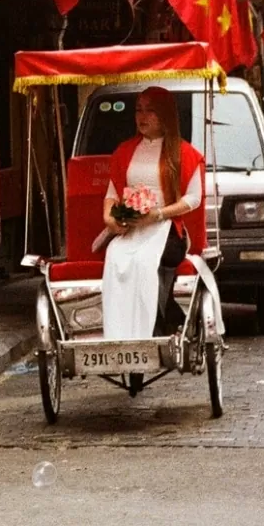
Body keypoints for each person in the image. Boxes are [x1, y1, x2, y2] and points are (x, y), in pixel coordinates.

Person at [98, 88, 206, 340]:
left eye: (150, 110)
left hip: (167, 230)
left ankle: (157, 321)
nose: (142, 116)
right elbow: (112, 193)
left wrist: (157, 214)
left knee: (146, 261)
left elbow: (193, 199)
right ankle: (121, 331)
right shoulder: (125, 151)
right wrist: (109, 218)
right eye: (138, 110)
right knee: (116, 258)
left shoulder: (184, 152)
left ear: (166, 115)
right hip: (132, 230)